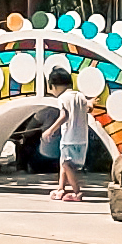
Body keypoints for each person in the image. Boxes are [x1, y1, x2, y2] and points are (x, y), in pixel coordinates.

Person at [32, 65, 90, 200]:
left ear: (54, 86)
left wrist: (50, 130)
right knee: (64, 163)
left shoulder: (63, 98)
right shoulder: (80, 96)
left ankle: (77, 192)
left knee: (66, 165)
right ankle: (60, 189)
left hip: (69, 138)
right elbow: (87, 108)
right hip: (82, 139)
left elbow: (64, 115)